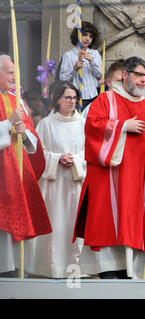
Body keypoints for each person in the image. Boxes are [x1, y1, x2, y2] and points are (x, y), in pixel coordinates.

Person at [73, 56, 145, 279]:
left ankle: (135, 271)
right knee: (110, 221)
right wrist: (122, 126)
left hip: (140, 181)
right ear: (125, 75)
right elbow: (92, 128)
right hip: (111, 178)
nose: (143, 80)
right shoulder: (106, 100)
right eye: (138, 75)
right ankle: (109, 269)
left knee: (136, 223)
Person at [24, 82, 86, 278]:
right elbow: (38, 153)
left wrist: (75, 160)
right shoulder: (46, 124)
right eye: (68, 97)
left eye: (74, 98)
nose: (72, 101)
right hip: (54, 183)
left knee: (74, 225)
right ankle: (52, 267)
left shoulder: (82, 123)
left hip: (76, 181)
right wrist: (57, 158)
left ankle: (75, 268)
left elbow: (88, 151)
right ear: (57, 99)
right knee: (56, 224)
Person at [0, 54, 51, 276]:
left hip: (17, 169)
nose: (14, 77)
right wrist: (7, 125)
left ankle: (16, 269)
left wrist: (25, 133)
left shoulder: (16, 100)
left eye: (15, 72)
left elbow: (31, 134)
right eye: (10, 72)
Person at [59, 21, 102, 111]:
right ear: (78, 35)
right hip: (75, 98)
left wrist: (91, 61)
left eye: (90, 36)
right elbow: (62, 78)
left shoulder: (95, 54)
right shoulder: (68, 55)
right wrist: (74, 69)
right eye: (85, 35)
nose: (87, 39)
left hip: (92, 96)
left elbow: (99, 74)